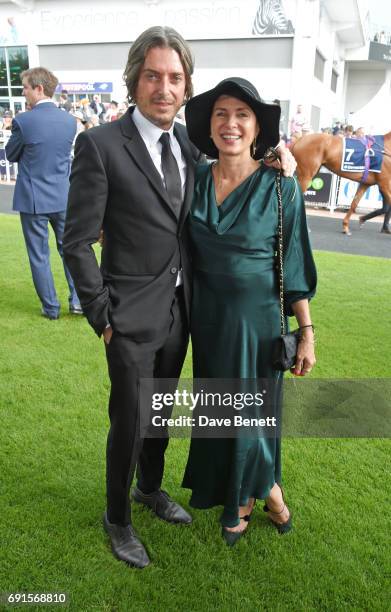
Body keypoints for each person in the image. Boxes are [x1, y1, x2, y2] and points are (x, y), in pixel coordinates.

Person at [63, 26, 297, 569]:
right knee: (129, 420)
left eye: (174, 77)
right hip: (126, 315)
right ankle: (117, 517)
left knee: (161, 414)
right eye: (153, 76)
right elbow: (75, 241)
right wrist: (101, 313)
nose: (164, 87)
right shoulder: (99, 145)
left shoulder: (192, 147)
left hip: (182, 313)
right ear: (134, 81)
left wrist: (276, 155)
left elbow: (237, 166)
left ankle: (150, 490)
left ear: (185, 85)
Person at [181, 77, 317, 545]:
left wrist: (307, 331)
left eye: (242, 114)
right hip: (209, 321)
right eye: (221, 114)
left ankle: (260, 496)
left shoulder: (280, 187)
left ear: (257, 126)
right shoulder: (193, 179)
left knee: (251, 417)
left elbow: (294, 261)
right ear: (209, 123)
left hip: (260, 324)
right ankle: (257, 492)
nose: (231, 123)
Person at [5, 67, 82, 319]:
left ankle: (51, 308)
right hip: (63, 196)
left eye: (25, 87)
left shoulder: (23, 121)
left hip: (33, 198)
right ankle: (78, 301)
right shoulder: (69, 121)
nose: (24, 92)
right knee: (69, 250)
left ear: (39, 89)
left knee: (39, 255)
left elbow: (11, 154)